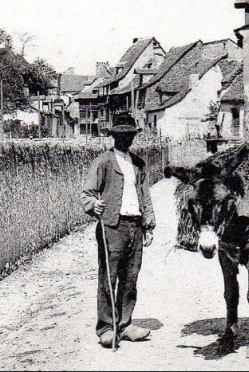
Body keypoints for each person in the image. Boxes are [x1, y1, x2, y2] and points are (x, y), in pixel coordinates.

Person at [81, 113, 156, 348]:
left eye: (129, 135)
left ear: (133, 137)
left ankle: (125, 324)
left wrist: (150, 225)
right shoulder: (103, 162)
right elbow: (87, 193)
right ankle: (106, 327)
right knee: (108, 278)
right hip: (112, 227)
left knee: (130, 278)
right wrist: (94, 204)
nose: (126, 139)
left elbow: (145, 196)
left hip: (135, 226)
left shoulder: (138, 164)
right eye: (121, 135)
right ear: (113, 137)